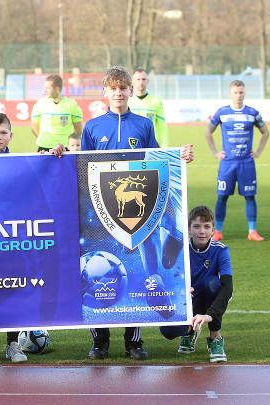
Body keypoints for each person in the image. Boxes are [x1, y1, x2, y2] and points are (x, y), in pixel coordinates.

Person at [81, 66, 193, 361]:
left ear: (131, 91)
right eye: (113, 88)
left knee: (136, 270)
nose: (118, 93)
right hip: (101, 208)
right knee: (99, 269)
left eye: (123, 88)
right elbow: (81, 164)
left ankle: (134, 341)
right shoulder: (92, 127)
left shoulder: (144, 125)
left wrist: (180, 157)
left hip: (138, 210)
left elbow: (158, 162)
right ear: (104, 92)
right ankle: (100, 341)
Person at [0, 113, 64, 364]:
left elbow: (43, 172)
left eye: (3, 133)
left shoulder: (22, 163)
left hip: (12, 240)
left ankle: (12, 344)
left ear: (11, 136)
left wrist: (53, 155)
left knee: (13, 289)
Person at [159, 205, 232, 363]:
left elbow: (228, 287)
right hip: (188, 300)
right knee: (167, 331)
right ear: (188, 229)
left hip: (209, 298)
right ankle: (190, 332)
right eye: (197, 226)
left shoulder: (221, 250)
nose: (202, 231)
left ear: (213, 230)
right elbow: (168, 277)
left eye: (207, 227)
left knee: (213, 284)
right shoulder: (180, 247)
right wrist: (180, 292)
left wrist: (210, 315)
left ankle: (215, 338)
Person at [204, 80, 268, 242]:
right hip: (227, 164)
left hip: (246, 163)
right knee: (222, 197)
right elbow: (208, 131)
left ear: (244, 93)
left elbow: (265, 132)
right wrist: (215, 152)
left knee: (250, 197)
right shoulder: (222, 112)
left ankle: (252, 231)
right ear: (230, 93)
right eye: (235, 92)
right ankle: (218, 231)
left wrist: (258, 151)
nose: (238, 95)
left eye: (241, 92)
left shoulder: (252, 113)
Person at [31, 74, 83, 152]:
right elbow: (35, 126)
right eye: (45, 88)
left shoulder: (71, 104)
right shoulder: (40, 104)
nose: (45, 90)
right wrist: (46, 139)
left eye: (48, 88)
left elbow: (78, 130)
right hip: (44, 147)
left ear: (57, 89)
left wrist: (69, 143)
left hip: (64, 147)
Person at [128, 68, 169, 147]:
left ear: (148, 81)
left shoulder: (156, 101)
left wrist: (165, 148)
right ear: (133, 81)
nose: (141, 82)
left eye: (143, 79)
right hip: (132, 144)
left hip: (152, 144)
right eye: (138, 79)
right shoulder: (128, 101)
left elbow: (162, 126)